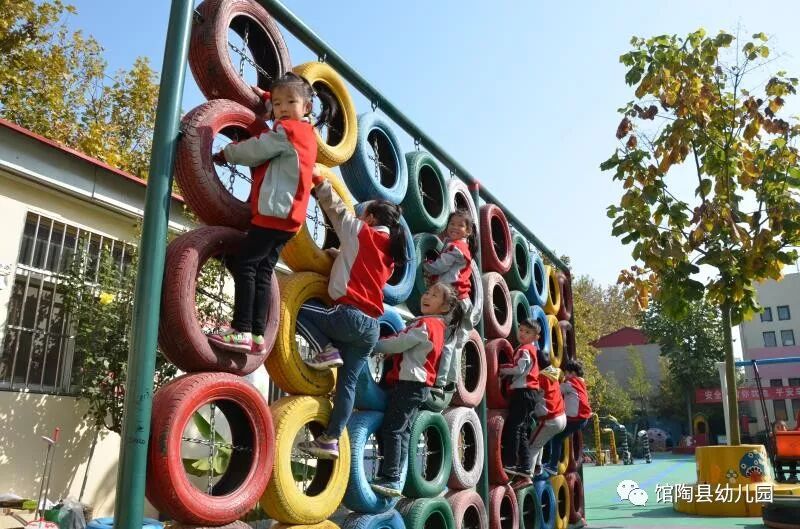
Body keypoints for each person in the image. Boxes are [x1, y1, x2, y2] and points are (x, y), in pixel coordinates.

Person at [206, 72, 330, 353]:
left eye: (290, 102)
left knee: (245, 265)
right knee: (262, 271)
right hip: (290, 220)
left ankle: (242, 329)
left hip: (273, 213)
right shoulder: (308, 133)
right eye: (277, 103)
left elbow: (257, 149)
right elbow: (283, 109)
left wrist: (227, 154)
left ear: (307, 107)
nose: (282, 108)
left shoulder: (287, 132)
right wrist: (265, 97)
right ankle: (258, 336)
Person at [295, 187, 408, 459]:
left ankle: (326, 349)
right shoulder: (389, 255)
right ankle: (330, 439)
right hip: (371, 327)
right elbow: (363, 266)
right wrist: (340, 255)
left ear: (370, 218)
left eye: (362, 214)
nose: (358, 217)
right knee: (347, 385)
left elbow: (336, 210)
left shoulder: (361, 232)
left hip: (350, 315)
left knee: (296, 308)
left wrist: (320, 183)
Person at [369, 282, 464, 497]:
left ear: (445, 307)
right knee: (404, 431)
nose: (426, 296)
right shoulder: (440, 327)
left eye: (434, 295)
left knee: (393, 429)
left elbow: (400, 342)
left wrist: (374, 344)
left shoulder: (425, 324)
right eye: (427, 292)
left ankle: (391, 477)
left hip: (409, 382)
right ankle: (394, 477)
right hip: (420, 386)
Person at [421, 209, 477, 399]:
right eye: (452, 223)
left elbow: (439, 266)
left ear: (468, 231)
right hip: (464, 301)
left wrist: (423, 264)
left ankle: (439, 383)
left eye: (460, 225)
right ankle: (451, 381)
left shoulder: (456, 248)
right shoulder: (461, 247)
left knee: (446, 342)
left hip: (455, 301)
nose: (454, 227)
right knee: (455, 343)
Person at [498, 318, 542, 477]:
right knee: (522, 429)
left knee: (514, 427)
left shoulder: (524, 349)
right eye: (521, 330)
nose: (522, 334)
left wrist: (501, 368)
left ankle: (510, 462)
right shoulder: (532, 349)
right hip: (530, 393)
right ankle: (525, 466)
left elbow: (518, 368)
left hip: (523, 392)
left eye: (527, 332)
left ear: (536, 337)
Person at [544, 359, 592, 474]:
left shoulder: (571, 383)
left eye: (566, 373)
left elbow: (556, 390)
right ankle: (552, 463)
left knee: (556, 437)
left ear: (573, 373)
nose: (565, 375)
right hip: (582, 418)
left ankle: (552, 466)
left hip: (576, 418)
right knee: (558, 436)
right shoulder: (580, 382)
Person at [527, 359, 566, 478]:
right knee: (540, 441)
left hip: (550, 419)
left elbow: (531, 388)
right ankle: (538, 466)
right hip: (561, 417)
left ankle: (527, 475)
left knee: (532, 445)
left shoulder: (541, 377)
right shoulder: (554, 374)